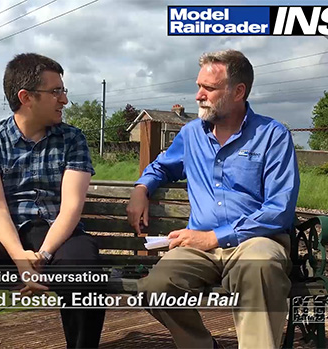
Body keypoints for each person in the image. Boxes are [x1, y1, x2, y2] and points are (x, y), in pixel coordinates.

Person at [127, 49, 299, 349]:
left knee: (260, 267)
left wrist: (215, 237)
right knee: (154, 286)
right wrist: (141, 189)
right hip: (199, 249)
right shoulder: (192, 133)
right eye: (198, 87)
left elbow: (279, 210)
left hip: (256, 240)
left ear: (238, 91)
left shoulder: (273, 135)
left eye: (208, 88)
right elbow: (161, 166)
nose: (198, 96)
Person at [0, 53, 105, 348]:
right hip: (5, 235)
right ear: (26, 97)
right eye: (56, 91)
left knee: (85, 269)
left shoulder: (73, 139)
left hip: (59, 235)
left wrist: (41, 256)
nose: (64, 100)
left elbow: (71, 207)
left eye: (63, 90)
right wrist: (19, 257)